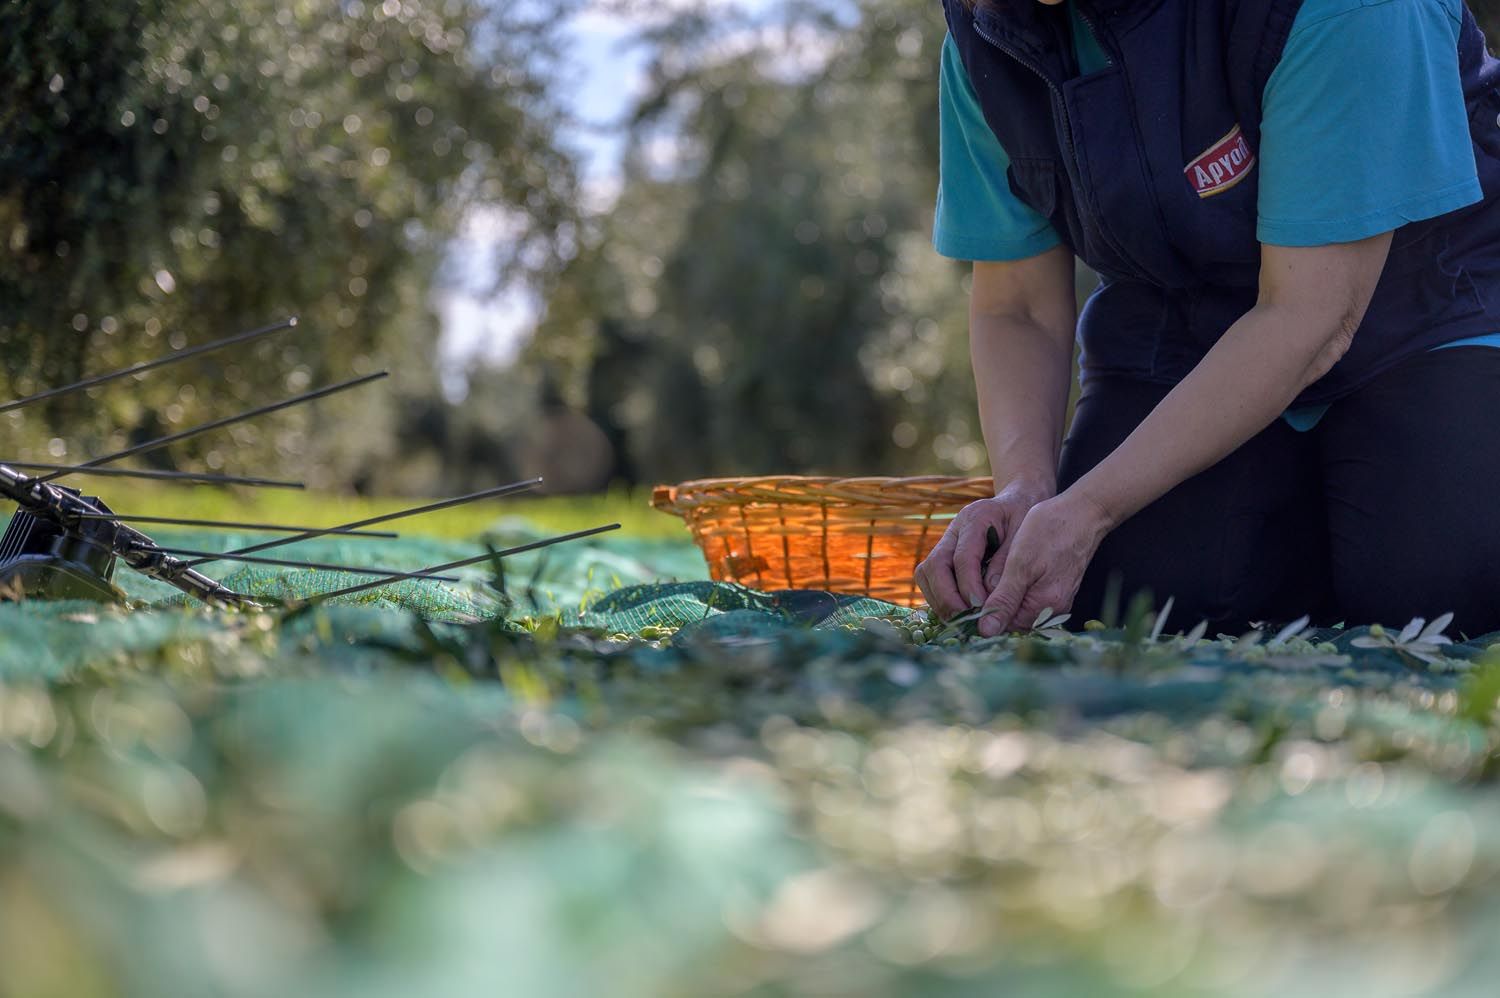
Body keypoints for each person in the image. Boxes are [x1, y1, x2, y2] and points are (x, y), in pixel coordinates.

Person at [914, 0, 1500, 638]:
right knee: (1108, 604)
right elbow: (1018, 306)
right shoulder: (985, 33)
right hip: (1183, 334)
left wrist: (1091, 507)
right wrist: (1027, 492)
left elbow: (1308, 317)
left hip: (1434, 312)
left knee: (1438, 604)